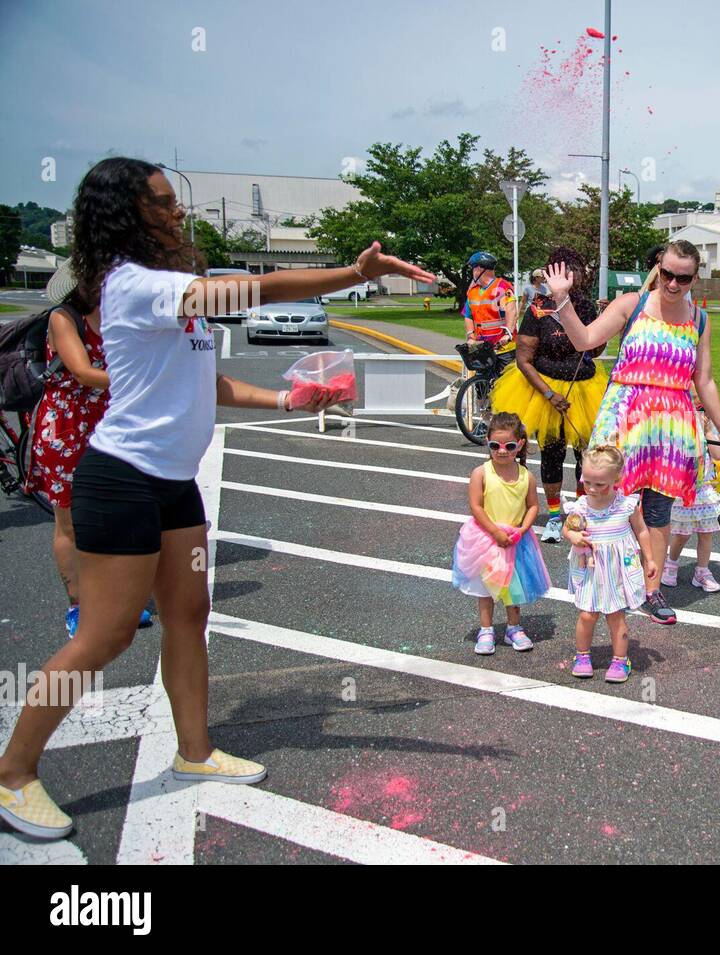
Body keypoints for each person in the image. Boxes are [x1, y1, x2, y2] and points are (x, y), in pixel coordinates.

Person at [0, 157, 434, 840]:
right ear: (126, 214)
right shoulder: (136, 285)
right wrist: (355, 275)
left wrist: (290, 398)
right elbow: (255, 289)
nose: (178, 212)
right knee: (105, 633)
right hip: (121, 478)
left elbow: (211, 384)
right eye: (165, 202)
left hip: (174, 485)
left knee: (188, 613)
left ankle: (195, 750)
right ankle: (14, 771)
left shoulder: (175, 289)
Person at [546, 239, 720, 627]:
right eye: (667, 273)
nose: (673, 284)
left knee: (657, 510)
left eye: (683, 278)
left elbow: (703, 379)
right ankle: (603, 576)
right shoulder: (632, 305)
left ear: (694, 278)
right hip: (625, 417)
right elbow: (585, 340)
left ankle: (651, 591)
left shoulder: (699, 320)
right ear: (658, 267)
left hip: (672, 426)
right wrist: (562, 301)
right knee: (610, 500)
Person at [24, 266, 155, 639]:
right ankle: (79, 606)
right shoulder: (64, 318)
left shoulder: (118, 315)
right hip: (66, 425)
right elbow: (82, 372)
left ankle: (120, 598)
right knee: (69, 520)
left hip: (110, 420)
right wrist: (148, 379)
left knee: (120, 513)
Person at [491, 247, 607, 543]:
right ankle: (555, 517)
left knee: (587, 455)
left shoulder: (584, 306)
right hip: (545, 390)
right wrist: (549, 394)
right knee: (552, 454)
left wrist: (604, 323)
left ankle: (582, 513)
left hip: (586, 388)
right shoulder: (536, 309)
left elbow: (593, 350)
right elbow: (523, 360)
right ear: (551, 274)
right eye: (566, 270)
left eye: (576, 269)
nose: (573, 275)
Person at [451, 412, 550, 654]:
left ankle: (513, 628)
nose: (502, 451)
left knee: (514, 587)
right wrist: (495, 532)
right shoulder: (481, 473)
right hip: (487, 538)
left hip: (516, 539)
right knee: (485, 588)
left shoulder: (526, 476)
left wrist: (523, 529)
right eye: (495, 445)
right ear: (487, 442)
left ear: (520, 445)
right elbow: (476, 506)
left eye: (509, 445)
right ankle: (486, 629)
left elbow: (533, 506)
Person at [563, 444, 658, 682]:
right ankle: (582, 655)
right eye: (587, 482)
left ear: (617, 478)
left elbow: (642, 531)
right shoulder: (582, 505)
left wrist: (650, 559)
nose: (592, 489)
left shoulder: (626, 505)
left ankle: (619, 659)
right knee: (587, 615)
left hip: (617, 570)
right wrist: (573, 536)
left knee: (616, 616)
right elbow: (568, 528)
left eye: (600, 484)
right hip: (590, 569)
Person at [664, 402, 720, 593]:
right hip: (685, 490)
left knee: (706, 535)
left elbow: (718, 455)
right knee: (681, 535)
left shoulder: (710, 429)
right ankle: (671, 565)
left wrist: (707, 431)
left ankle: (702, 572)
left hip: (705, 491)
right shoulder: (678, 428)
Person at [462, 251, 516, 346]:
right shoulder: (472, 291)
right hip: (481, 345)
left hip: (503, 345)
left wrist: (508, 333)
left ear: (479, 269)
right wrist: (471, 336)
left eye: (473, 268)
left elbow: (511, 310)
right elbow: (468, 316)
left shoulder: (501, 287)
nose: (472, 272)